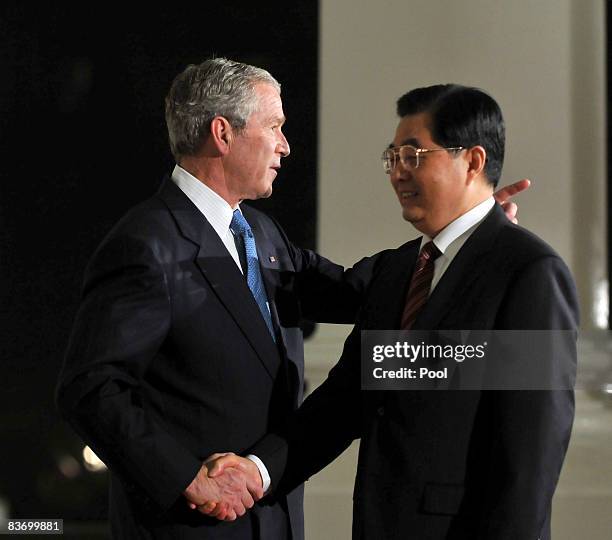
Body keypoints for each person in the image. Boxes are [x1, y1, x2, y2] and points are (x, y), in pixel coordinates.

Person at [56, 58, 527, 540]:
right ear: (223, 134)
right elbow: (91, 388)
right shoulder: (147, 244)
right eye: (275, 126)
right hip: (191, 525)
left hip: (272, 520)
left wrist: (464, 235)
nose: (285, 145)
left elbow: (354, 292)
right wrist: (186, 479)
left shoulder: (260, 233)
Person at [209, 84, 578, 540]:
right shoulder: (401, 271)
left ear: (474, 161)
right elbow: (345, 400)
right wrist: (257, 470)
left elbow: (529, 458)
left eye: (414, 155)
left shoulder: (528, 273)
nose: (398, 172)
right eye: (393, 157)